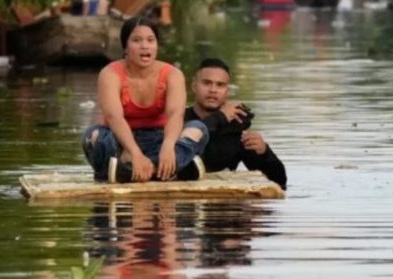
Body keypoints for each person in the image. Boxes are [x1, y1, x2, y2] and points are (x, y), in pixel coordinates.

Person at [82, 17, 208, 183]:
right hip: (121, 142)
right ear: (125, 47)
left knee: (198, 129)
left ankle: (137, 171)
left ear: (157, 45)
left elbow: (175, 115)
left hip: (160, 140)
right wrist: (133, 151)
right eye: (136, 40)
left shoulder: (173, 75)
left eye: (150, 40)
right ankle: (172, 171)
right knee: (93, 135)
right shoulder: (110, 74)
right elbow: (114, 118)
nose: (145, 46)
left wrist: (169, 146)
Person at [184, 58, 287, 190]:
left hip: (223, 205)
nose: (213, 90)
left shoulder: (235, 128)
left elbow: (279, 182)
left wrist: (264, 152)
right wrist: (220, 117)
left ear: (227, 91)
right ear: (194, 86)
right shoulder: (177, 119)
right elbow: (184, 142)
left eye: (220, 85)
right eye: (207, 83)